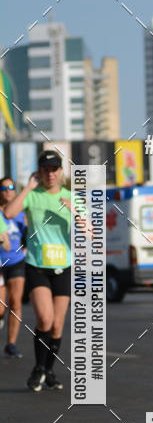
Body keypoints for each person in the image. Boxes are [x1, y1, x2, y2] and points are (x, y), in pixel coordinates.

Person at [4, 150, 72, 391]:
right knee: (45, 318)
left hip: (63, 267)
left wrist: (74, 211)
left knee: (57, 325)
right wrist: (28, 187)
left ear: (60, 172)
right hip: (36, 266)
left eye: (54, 169)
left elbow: (92, 234)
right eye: (45, 170)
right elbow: (9, 213)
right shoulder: (33, 195)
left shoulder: (70, 198)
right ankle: (38, 368)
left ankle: (49, 370)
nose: (50, 174)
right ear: (39, 172)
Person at [0, 177, 27, 357]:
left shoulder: (22, 213)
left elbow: (28, 234)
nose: (9, 190)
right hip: (0, 263)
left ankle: (11, 344)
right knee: (1, 307)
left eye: (11, 187)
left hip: (17, 261)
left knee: (16, 303)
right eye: (4, 188)